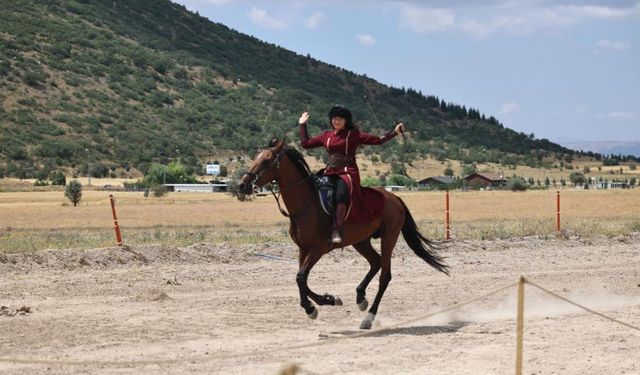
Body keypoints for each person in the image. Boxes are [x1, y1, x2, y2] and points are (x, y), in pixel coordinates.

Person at [298, 105, 405, 243]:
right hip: (330, 171)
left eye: (340, 119)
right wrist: (302, 125)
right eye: (334, 118)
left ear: (346, 121)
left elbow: (377, 140)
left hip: (347, 172)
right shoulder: (326, 135)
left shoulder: (353, 134)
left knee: (341, 193)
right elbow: (305, 144)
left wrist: (394, 132)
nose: (336, 121)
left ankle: (337, 229)